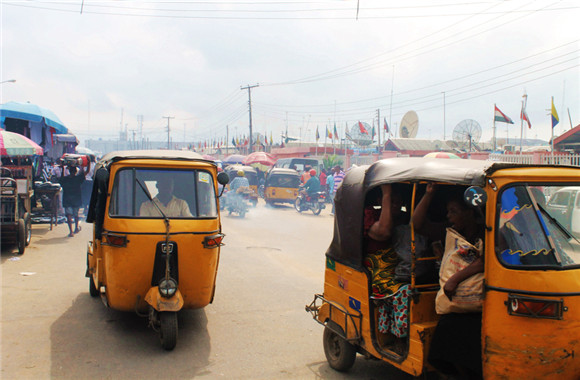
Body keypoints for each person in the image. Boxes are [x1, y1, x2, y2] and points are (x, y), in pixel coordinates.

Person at [412, 183, 484, 379]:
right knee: (445, 337)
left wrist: (454, 280)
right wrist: (428, 195)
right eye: (448, 211)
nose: (449, 216)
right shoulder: (449, 230)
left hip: (479, 302)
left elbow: (483, 262)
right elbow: (417, 225)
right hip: (453, 302)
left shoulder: (485, 232)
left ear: (470, 211)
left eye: (454, 211)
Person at [59, 164, 85, 237]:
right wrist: (82, 166)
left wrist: (63, 169)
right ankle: (76, 228)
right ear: (76, 172)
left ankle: (71, 232)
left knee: (69, 216)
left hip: (67, 199)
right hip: (76, 199)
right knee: (76, 215)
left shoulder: (65, 179)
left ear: (69, 171)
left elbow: (61, 179)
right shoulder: (78, 179)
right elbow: (83, 174)